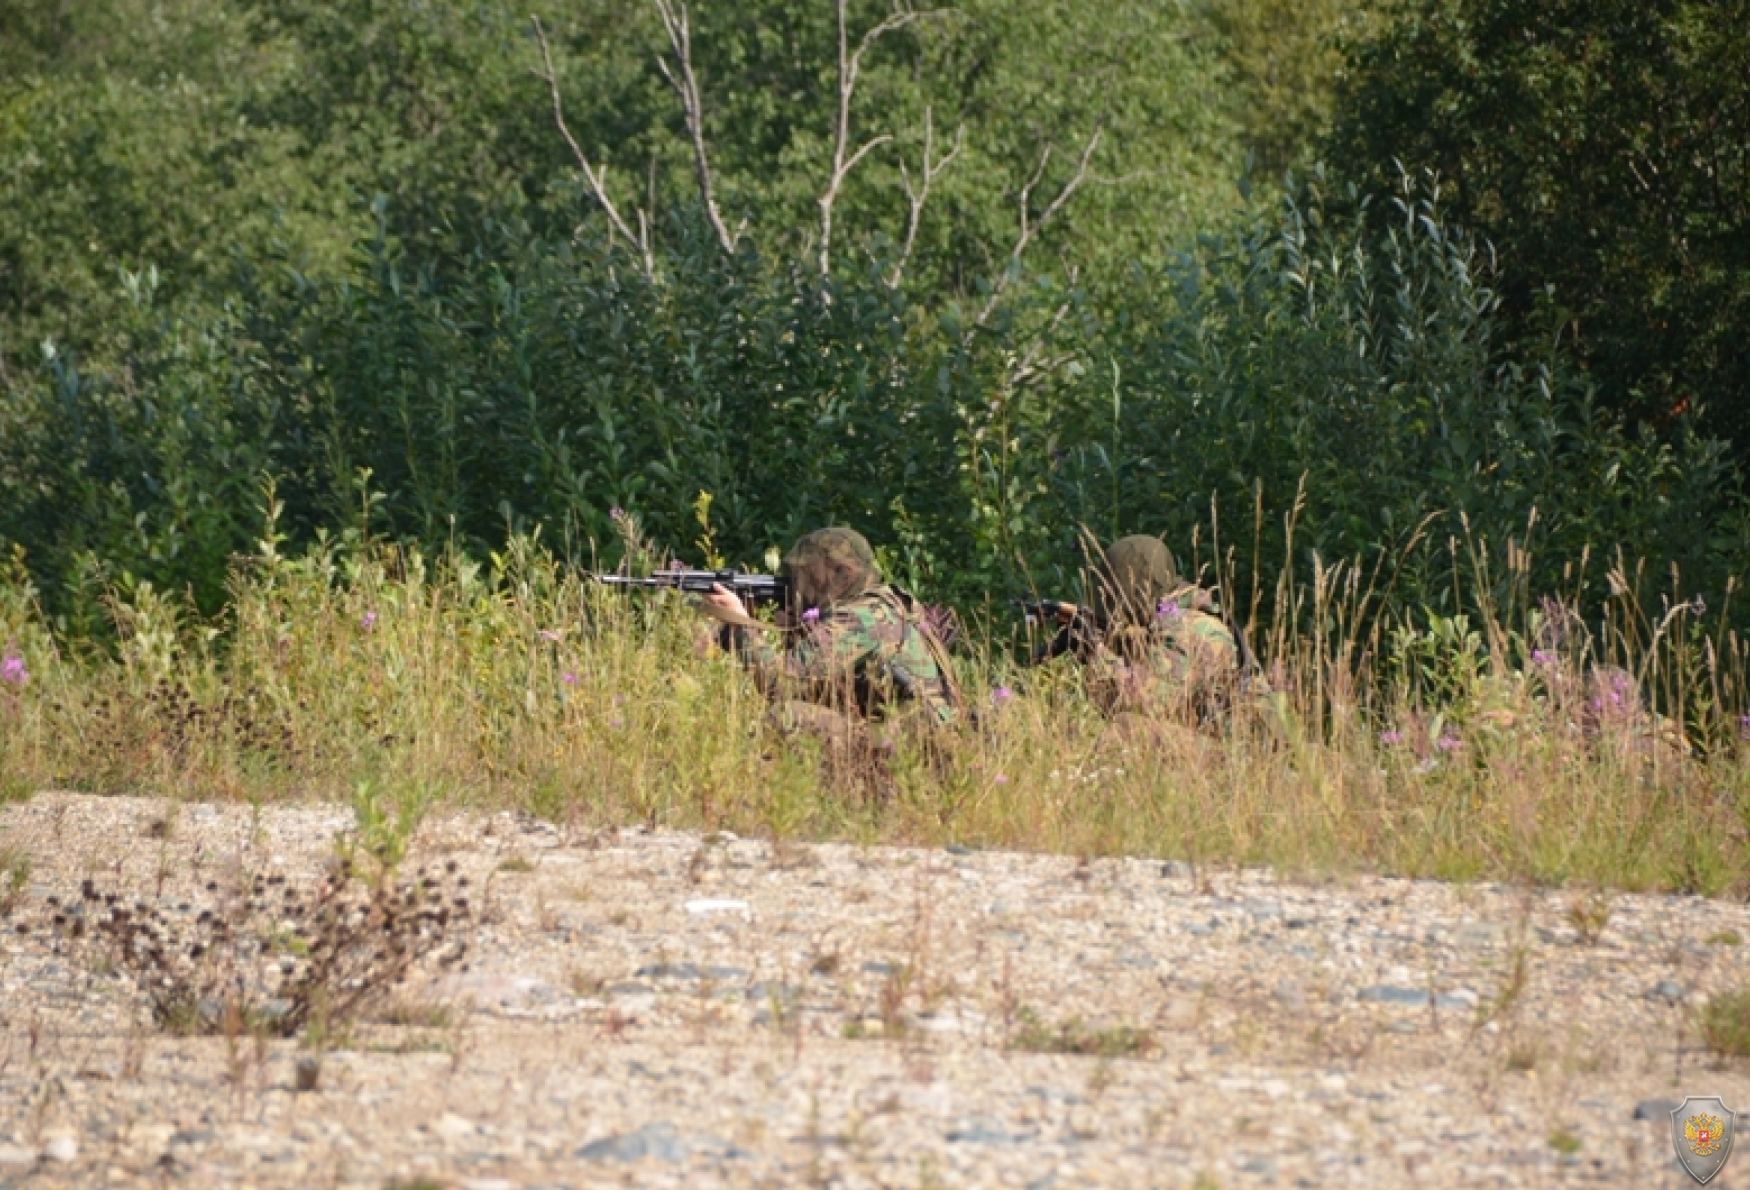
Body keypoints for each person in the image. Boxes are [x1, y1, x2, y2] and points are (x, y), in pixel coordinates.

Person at [699, 528, 960, 787]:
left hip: (914, 755)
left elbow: (778, 683)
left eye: (808, 576)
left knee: (789, 716)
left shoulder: (862, 618)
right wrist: (795, 634)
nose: (797, 584)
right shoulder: (880, 607)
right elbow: (818, 690)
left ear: (842, 575)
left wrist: (741, 625)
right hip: (911, 745)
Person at [1030, 534, 1245, 725]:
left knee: (1127, 728)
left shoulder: (1196, 629)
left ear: (1138, 586)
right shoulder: (1173, 618)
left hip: (1237, 752)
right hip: (1216, 747)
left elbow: (1145, 701)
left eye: (1114, 590)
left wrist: (1096, 652)